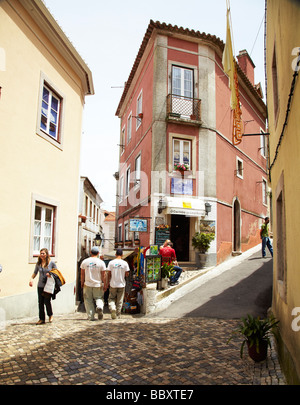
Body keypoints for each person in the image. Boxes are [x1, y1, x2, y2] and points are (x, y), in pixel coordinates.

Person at [29, 248, 57, 325]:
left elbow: (56, 273)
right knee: (40, 302)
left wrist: (50, 274)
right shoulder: (38, 264)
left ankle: (50, 315)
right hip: (40, 285)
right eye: (41, 253)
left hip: (48, 286)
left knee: (47, 301)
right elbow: (35, 273)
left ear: (46, 254)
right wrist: (31, 279)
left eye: (43, 253)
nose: (42, 255)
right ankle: (41, 319)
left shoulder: (52, 263)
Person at [80, 246, 107, 321]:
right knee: (99, 298)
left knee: (88, 300)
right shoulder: (101, 262)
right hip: (97, 284)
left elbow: (82, 274)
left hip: (87, 284)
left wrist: (82, 282)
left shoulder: (85, 262)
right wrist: (104, 283)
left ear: (90, 252)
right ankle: (99, 306)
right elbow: (103, 275)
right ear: (98, 253)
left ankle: (91, 316)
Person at [107, 249, 130, 319]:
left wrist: (107, 282)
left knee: (111, 298)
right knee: (120, 300)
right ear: (122, 255)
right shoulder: (125, 263)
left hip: (113, 284)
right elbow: (127, 274)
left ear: (115, 254)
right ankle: (118, 314)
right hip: (121, 284)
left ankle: (112, 308)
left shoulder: (111, 263)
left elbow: (108, 274)